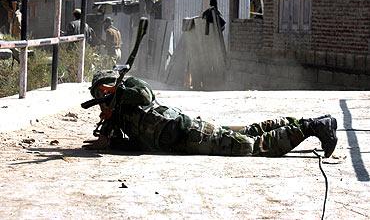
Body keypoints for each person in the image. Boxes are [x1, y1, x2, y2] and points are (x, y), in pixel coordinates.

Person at [82, 70, 338, 158]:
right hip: (187, 139)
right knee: (248, 132)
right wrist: (110, 141)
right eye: (99, 95)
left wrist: (118, 91)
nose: (102, 102)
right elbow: (136, 145)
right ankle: (303, 123)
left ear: (113, 87)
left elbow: (146, 95)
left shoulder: (131, 93)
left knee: (253, 147)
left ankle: (313, 127)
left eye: (104, 93)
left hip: (193, 134)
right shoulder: (119, 117)